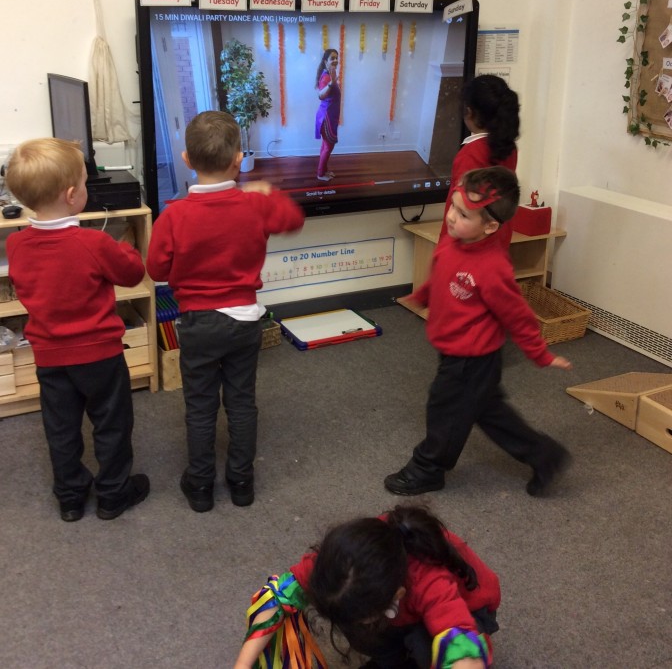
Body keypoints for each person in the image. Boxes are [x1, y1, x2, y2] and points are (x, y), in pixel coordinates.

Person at [146, 110, 304, 512]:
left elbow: (156, 270)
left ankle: (200, 487)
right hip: (244, 322)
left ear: (187, 159)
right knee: (242, 402)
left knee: (200, 407)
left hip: (197, 324)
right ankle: (241, 482)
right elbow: (293, 219)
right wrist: (266, 192)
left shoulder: (173, 214)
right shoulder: (254, 205)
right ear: (238, 159)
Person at [386, 167, 572, 499]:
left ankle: (428, 469)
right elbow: (442, 273)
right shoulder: (452, 242)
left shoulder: (493, 267)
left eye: (463, 215)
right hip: (454, 349)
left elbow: (518, 316)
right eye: (453, 207)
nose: (451, 218)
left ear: (490, 226)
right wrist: (424, 294)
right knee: (487, 411)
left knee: (445, 410)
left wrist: (540, 354)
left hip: (472, 358)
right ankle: (545, 455)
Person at [5, 138, 150, 521]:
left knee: (61, 428)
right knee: (112, 424)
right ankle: (113, 494)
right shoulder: (93, 242)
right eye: (86, 182)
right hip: (99, 355)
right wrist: (127, 247)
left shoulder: (16, 244)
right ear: (72, 195)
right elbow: (132, 273)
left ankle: (70, 498)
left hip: (50, 358)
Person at [234, 503, 500, 669]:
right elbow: (275, 600)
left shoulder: (429, 582)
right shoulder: (338, 564)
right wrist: (243, 665)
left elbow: (463, 650)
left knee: (422, 644)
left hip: (470, 610)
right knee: (360, 628)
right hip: (391, 608)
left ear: (397, 595)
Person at [439, 74, 519, 247]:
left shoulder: (471, 153)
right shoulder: (509, 147)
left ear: (468, 111)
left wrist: (446, 249)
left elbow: (463, 208)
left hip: (468, 244)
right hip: (497, 238)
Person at [314, 48, 341, 182]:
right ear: (326, 61)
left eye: (337, 58)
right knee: (328, 146)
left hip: (330, 116)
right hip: (326, 117)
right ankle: (320, 174)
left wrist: (333, 81)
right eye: (332, 58)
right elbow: (320, 95)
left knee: (325, 146)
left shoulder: (329, 75)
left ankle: (324, 170)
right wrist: (332, 83)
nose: (335, 60)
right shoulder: (326, 77)